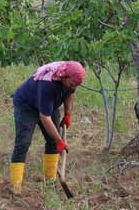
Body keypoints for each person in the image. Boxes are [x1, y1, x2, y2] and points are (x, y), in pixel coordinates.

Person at [7, 61, 83, 194]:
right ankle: (15, 186)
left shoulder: (71, 80)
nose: (73, 87)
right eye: (71, 84)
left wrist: (68, 115)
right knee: (23, 142)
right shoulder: (48, 84)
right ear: (64, 77)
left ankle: (50, 181)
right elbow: (45, 117)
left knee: (52, 141)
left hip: (49, 104)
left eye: (75, 86)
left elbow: (70, 94)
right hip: (27, 105)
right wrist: (60, 140)